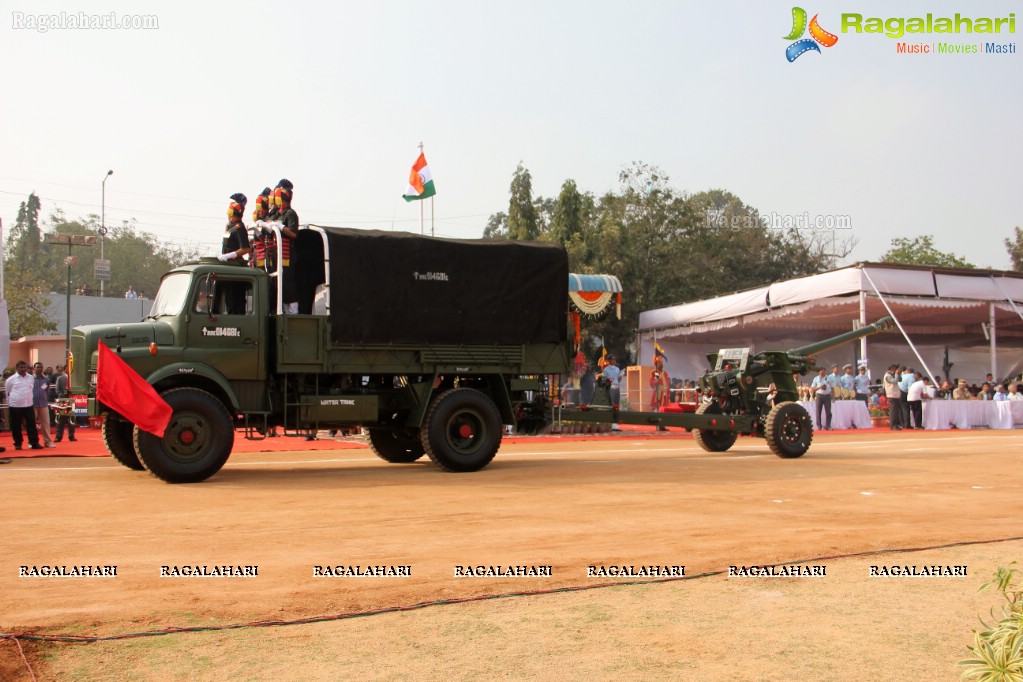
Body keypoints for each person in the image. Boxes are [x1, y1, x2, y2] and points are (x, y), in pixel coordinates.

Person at [220, 193, 252, 315]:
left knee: (235, 298)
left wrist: (229, 255)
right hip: (228, 266)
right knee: (229, 298)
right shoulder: (231, 227)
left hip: (235, 266)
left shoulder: (239, 228)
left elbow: (245, 249)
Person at [274, 179, 300, 314]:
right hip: (279, 255)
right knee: (282, 286)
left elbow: (294, 234)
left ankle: (294, 311)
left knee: (289, 284)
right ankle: (284, 310)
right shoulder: (280, 214)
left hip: (288, 255)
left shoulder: (290, 213)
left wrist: (282, 227)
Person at [6, 361, 42, 450]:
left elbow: (31, 388)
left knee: (31, 425)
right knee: (16, 425)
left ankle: (34, 443)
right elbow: (8, 392)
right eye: (21, 367)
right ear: (17, 368)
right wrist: (9, 404)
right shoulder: (11, 379)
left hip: (28, 405)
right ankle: (18, 443)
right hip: (15, 406)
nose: (23, 369)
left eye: (24, 367)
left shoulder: (30, 378)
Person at [32, 362, 56, 447]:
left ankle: (48, 441)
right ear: (34, 369)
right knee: (32, 424)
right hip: (32, 404)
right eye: (37, 367)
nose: (39, 369)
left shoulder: (46, 379)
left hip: (43, 404)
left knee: (46, 424)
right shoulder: (30, 379)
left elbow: (45, 390)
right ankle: (32, 442)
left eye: (41, 367)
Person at [54, 368, 77, 442]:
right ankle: (58, 436)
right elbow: (57, 390)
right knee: (60, 419)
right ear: (65, 369)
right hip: (62, 401)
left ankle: (71, 436)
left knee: (72, 419)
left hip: (72, 401)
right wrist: (63, 397)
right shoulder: (60, 378)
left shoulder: (75, 378)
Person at [883, 364, 903, 431]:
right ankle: (893, 425)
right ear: (892, 369)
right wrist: (897, 373)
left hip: (895, 395)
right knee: (893, 411)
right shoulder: (888, 376)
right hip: (891, 395)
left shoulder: (893, 375)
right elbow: (894, 381)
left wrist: (898, 374)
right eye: (895, 369)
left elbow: (900, 380)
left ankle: (896, 425)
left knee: (896, 411)